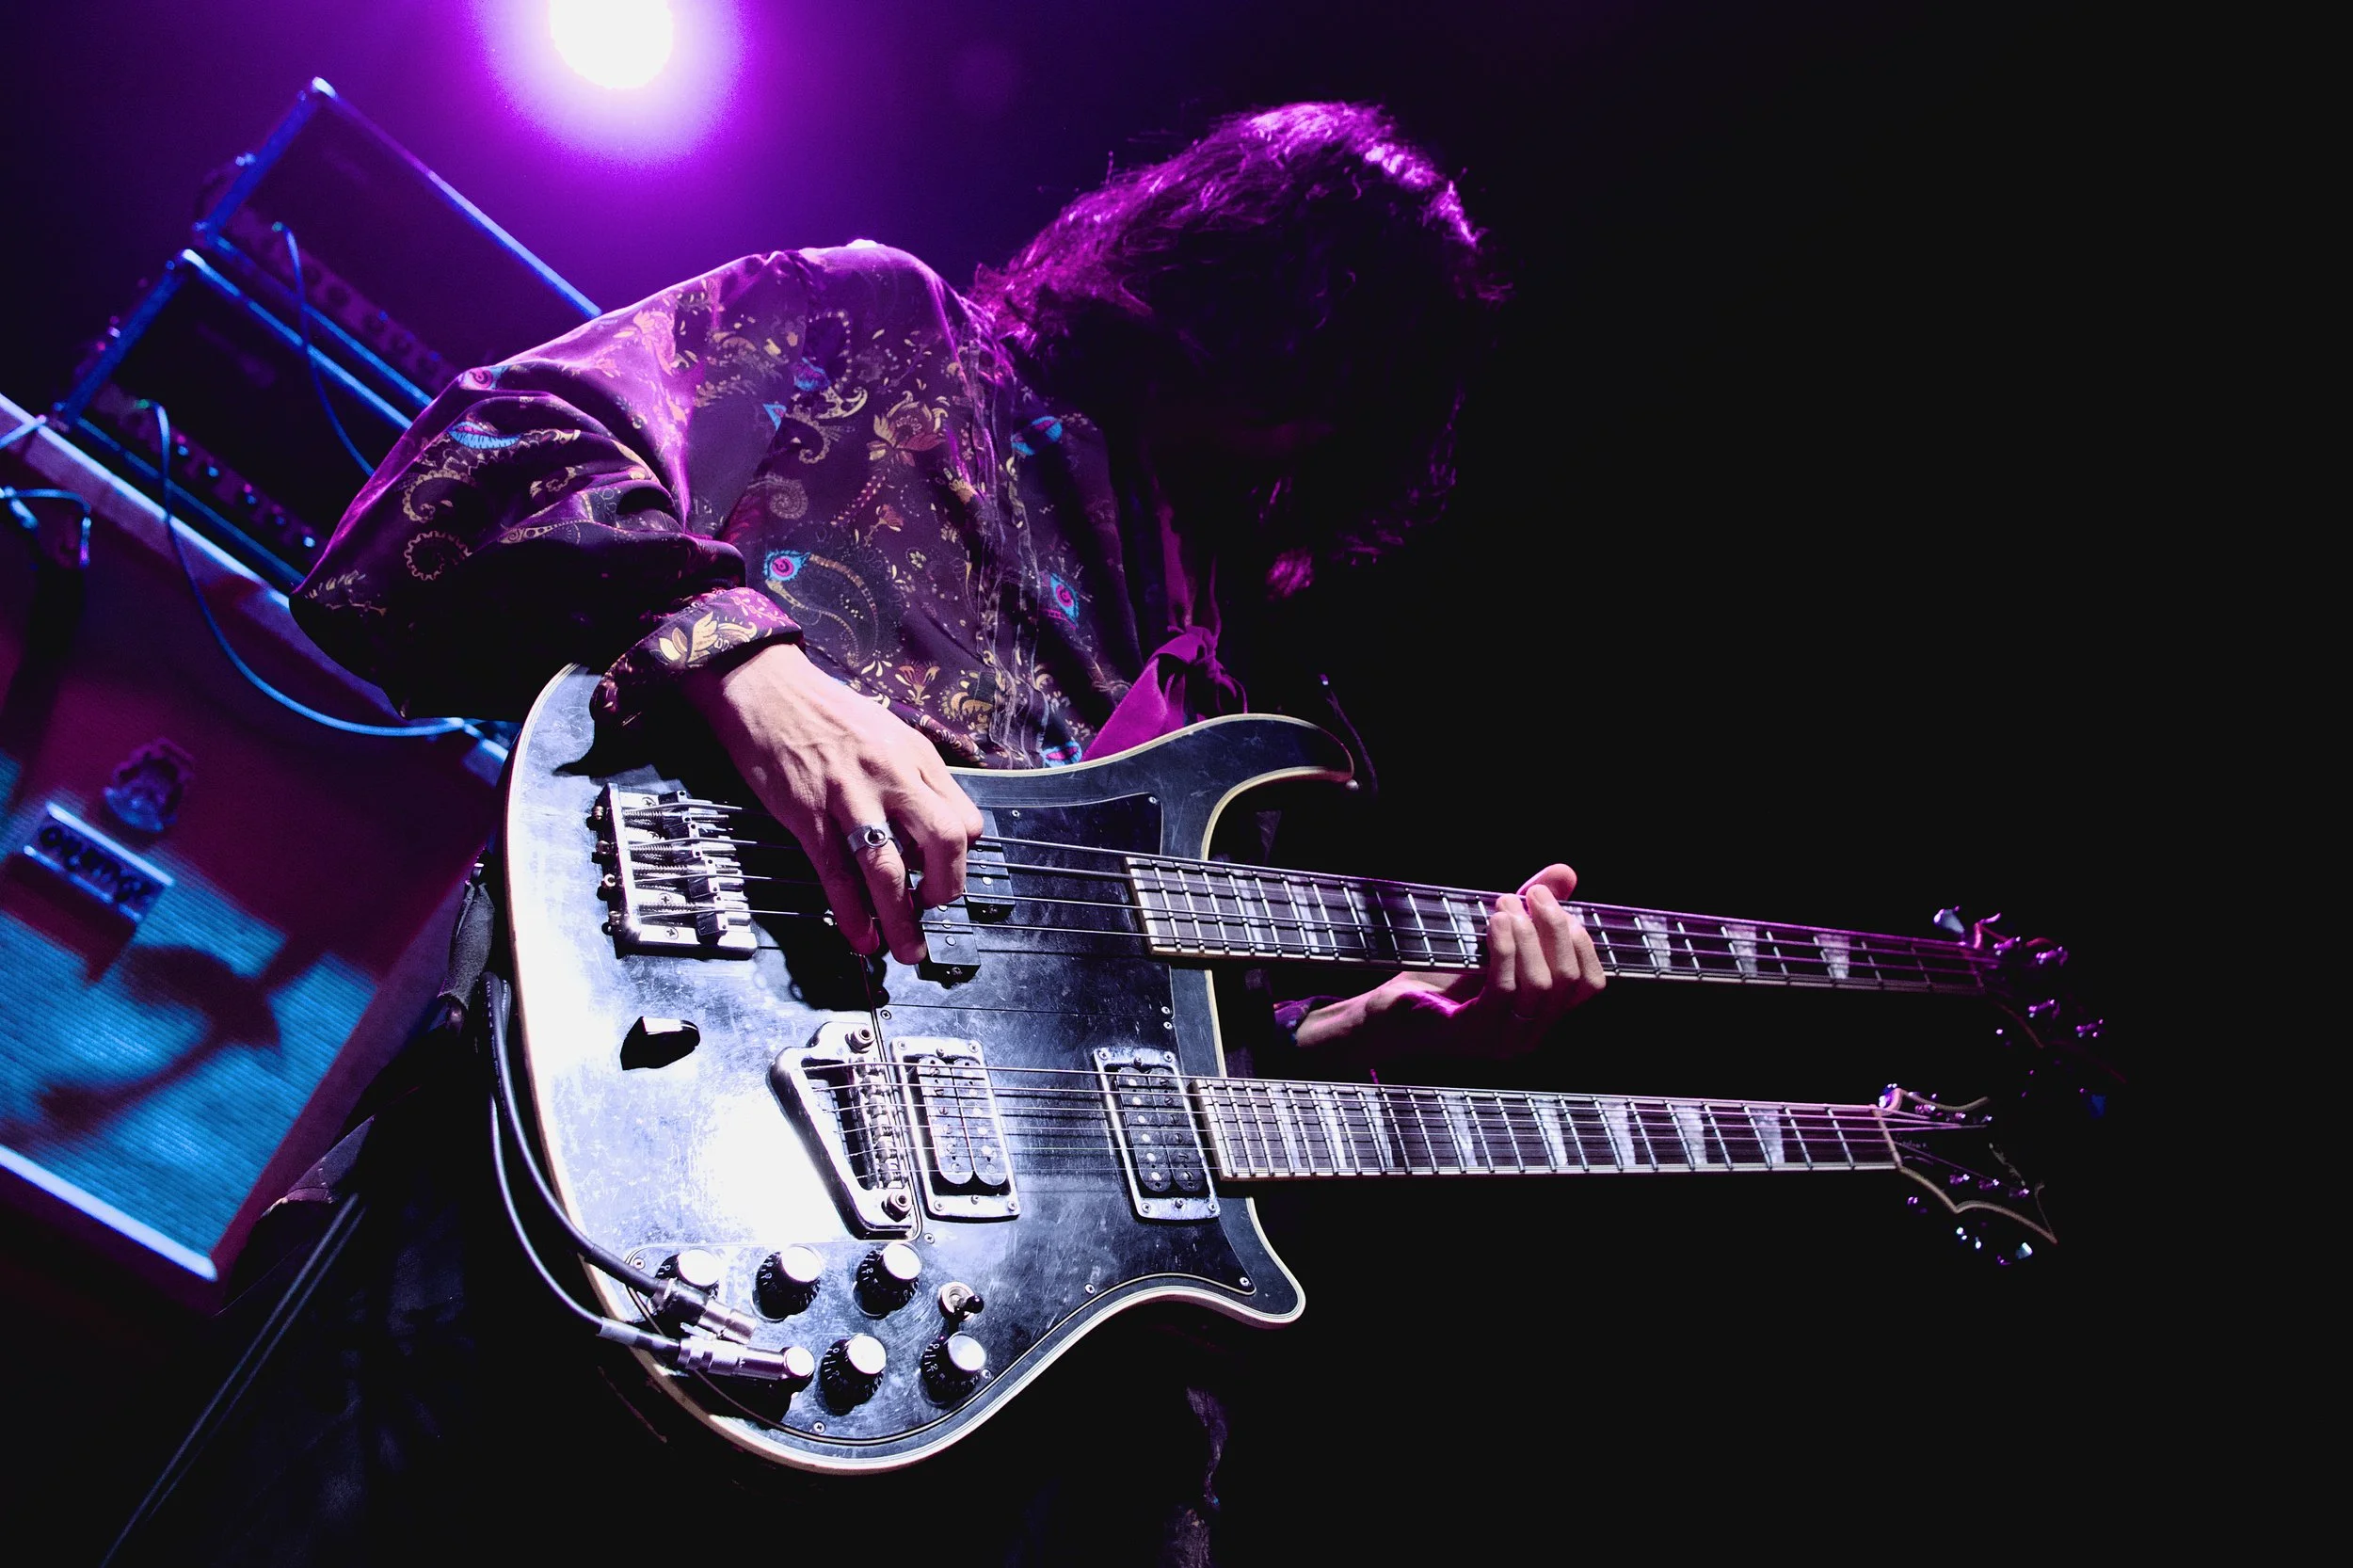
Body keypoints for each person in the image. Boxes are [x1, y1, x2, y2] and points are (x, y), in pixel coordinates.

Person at [129, 103, 1604, 1564]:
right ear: (1214, 258)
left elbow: (1153, 1098)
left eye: (1357, 372)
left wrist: (1382, 1030)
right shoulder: (890, 343)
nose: (1295, 396)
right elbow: (468, 469)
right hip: (575, 1216)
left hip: (981, 1412)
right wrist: (744, 658)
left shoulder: (1251, 688)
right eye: (1303, 311)